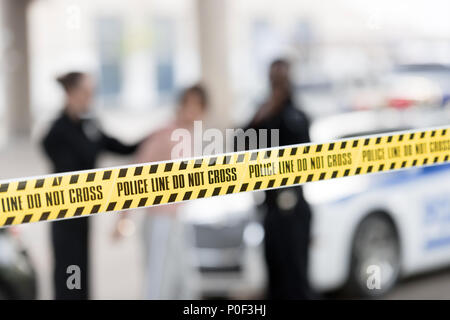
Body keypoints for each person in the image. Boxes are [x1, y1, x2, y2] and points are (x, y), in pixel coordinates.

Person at [42, 72, 139, 300]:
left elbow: (120, 146)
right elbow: (72, 163)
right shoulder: (56, 133)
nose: (90, 98)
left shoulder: (90, 125)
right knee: (69, 272)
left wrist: (155, 137)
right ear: (71, 93)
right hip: (65, 217)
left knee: (82, 272)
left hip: (85, 214)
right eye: (85, 92)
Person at [114, 85, 208, 299]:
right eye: (190, 105)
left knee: (184, 284)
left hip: (179, 221)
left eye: (198, 107)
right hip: (159, 221)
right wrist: (123, 218)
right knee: (159, 285)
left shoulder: (189, 136)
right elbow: (135, 174)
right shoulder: (164, 134)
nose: (193, 112)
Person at [245, 59, 315, 299]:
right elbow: (241, 145)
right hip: (271, 208)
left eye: (282, 75)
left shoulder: (296, 115)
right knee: (275, 274)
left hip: (294, 208)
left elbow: (304, 151)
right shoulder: (263, 112)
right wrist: (260, 117)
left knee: (297, 275)